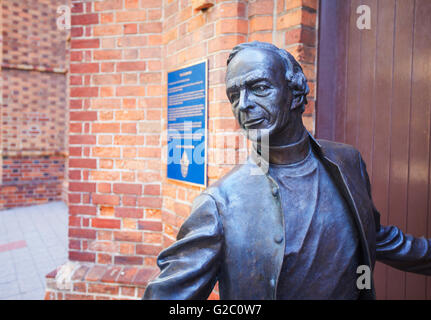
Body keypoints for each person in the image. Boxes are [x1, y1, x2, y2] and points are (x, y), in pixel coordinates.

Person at [143, 41, 431, 300]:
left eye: (259, 88)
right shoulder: (220, 204)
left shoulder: (347, 162)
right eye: (234, 95)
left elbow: (375, 236)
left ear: (294, 93)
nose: (243, 105)